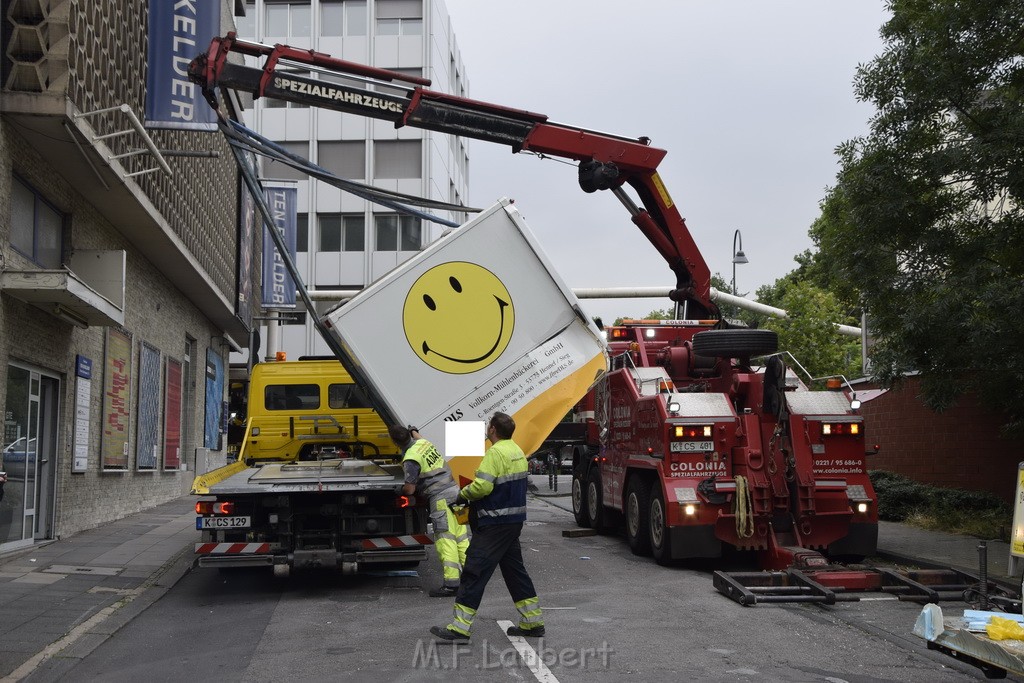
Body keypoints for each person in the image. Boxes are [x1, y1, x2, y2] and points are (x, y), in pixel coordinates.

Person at [430, 412, 545, 641]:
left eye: (488, 426)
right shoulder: (517, 452)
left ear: (492, 429)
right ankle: (533, 622)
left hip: (494, 523)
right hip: (512, 523)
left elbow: (483, 487)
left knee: (474, 571)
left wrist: (463, 494)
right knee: (515, 573)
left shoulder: (495, 452)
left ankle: (459, 628)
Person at [389, 425, 468, 597]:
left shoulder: (410, 459)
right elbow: (418, 436)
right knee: (461, 538)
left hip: (441, 500)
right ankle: (474, 578)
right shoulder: (423, 443)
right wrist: (414, 430)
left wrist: (398, 489)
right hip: (457, 494)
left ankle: (451, 585)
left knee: (446, 540)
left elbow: (409, 490)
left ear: (395, 442)